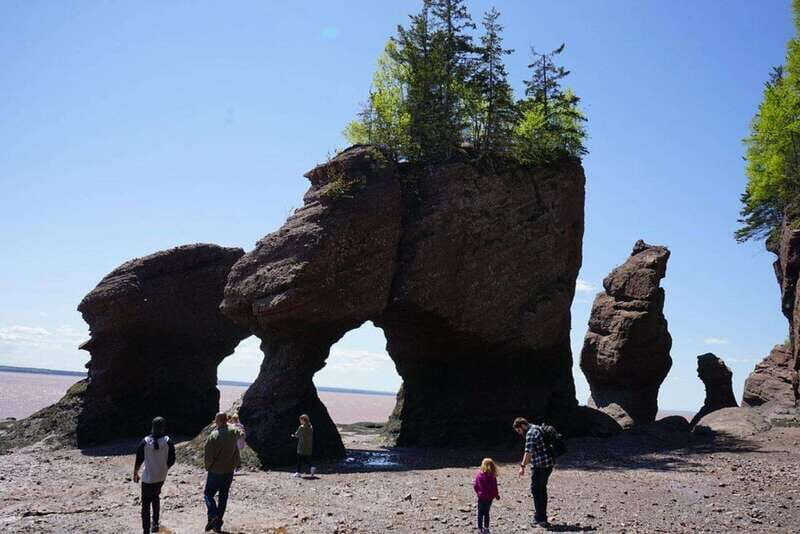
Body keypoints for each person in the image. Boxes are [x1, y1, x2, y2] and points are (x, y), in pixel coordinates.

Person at [133, 416, 175, 534]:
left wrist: (135, 472)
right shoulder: (168, 441)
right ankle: (155, 524)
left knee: (145, 503)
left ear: (152, 426)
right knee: (156, 497)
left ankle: (146, 530)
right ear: (163, 428)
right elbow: (172, 459)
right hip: (161, 476)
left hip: (148, 478)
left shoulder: (145, 442)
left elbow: (139, 459)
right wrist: (164, 468)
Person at [203, 412, 244, 533]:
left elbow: (208, 456)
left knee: (208, 494)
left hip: (216, 471)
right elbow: (241, 433)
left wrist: (208, 467)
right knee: (223, 496)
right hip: (229, 470)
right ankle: (218, 524)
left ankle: (213, 515)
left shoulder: (213, 436)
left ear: (218, 421)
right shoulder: (233, 431)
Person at [514, 417, 555, 528]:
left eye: (519, 431)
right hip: (549, 464)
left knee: (536, 490)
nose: (519, 433)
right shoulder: (537, 428)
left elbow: (528, 452)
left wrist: (522, 466)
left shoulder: (530, 433)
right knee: (542, 489)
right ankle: (543, 517)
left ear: (522, 426)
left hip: (539, 466)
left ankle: (540, 518)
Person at [473, 458, 500, 533]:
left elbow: (475, 485)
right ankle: (486, 528)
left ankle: (479, 528)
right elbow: (494, 487)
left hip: (481, 497)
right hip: (489, 498)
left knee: (480, 513)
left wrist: (478, 492)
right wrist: (496, 495)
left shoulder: (479, 475)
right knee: (487, 513)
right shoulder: (492, 476)